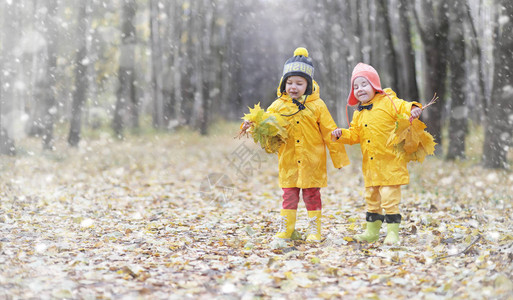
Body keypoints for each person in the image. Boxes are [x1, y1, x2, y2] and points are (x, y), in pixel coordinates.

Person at [242, 47, 350, 242]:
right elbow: (267, 125)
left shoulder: (317, 105)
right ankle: (287, 228)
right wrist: (253, 124)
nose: (293, 87)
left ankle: (313, 229)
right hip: (289, 160)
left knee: (311, 195)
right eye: (289, 82)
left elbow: (329, 131)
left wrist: (338, 158)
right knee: (289, 195)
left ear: (308, 85)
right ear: (283, 84)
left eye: (299, 83)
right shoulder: (278, 106)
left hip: (312, 161)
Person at [331, 63, 422, 245]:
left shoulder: (388, 102)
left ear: (374, 85)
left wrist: (413, 109)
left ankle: (392, 233)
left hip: (390, 162)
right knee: (372, 199)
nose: (359, 89)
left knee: (389, 198)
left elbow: (402, 106)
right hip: (371, 166)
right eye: (355, 87)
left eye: (364, 84)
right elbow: (355, 134)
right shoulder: (358, 113)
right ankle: (372, 232)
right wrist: (342, 134)